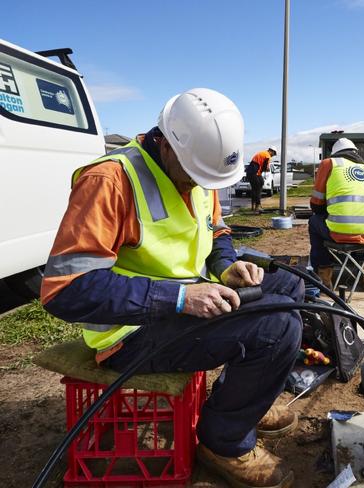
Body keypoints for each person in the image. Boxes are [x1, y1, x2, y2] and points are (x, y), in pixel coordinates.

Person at [41, 88, 301, 488]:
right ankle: (224, 444)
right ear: (166, 144)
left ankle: (244, 403)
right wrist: (179, 298)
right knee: (278, 327)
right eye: (196, 174)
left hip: (187, 300)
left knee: (290, 283)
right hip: (130, 333)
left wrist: (227, 267)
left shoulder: (198, 169)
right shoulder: (110, 180)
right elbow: (66, 290)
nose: (201, 184)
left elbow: (217, 233)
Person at [308, 137, 364, 289]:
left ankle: (323, 275)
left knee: (314, 221)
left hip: (339, 231)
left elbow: (316, 203)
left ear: (335, 153)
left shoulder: (329, 163)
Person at [246, 146, 277, 213]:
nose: (272, 156)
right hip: (254, 173)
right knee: (258, 188)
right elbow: (265, 168)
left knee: (258, 185)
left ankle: (253, 206)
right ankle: (257, 206)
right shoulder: (267, 156)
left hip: (251, 173)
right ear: (271, 151)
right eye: (273, 154)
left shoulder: (262, 153)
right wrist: (267, 169)